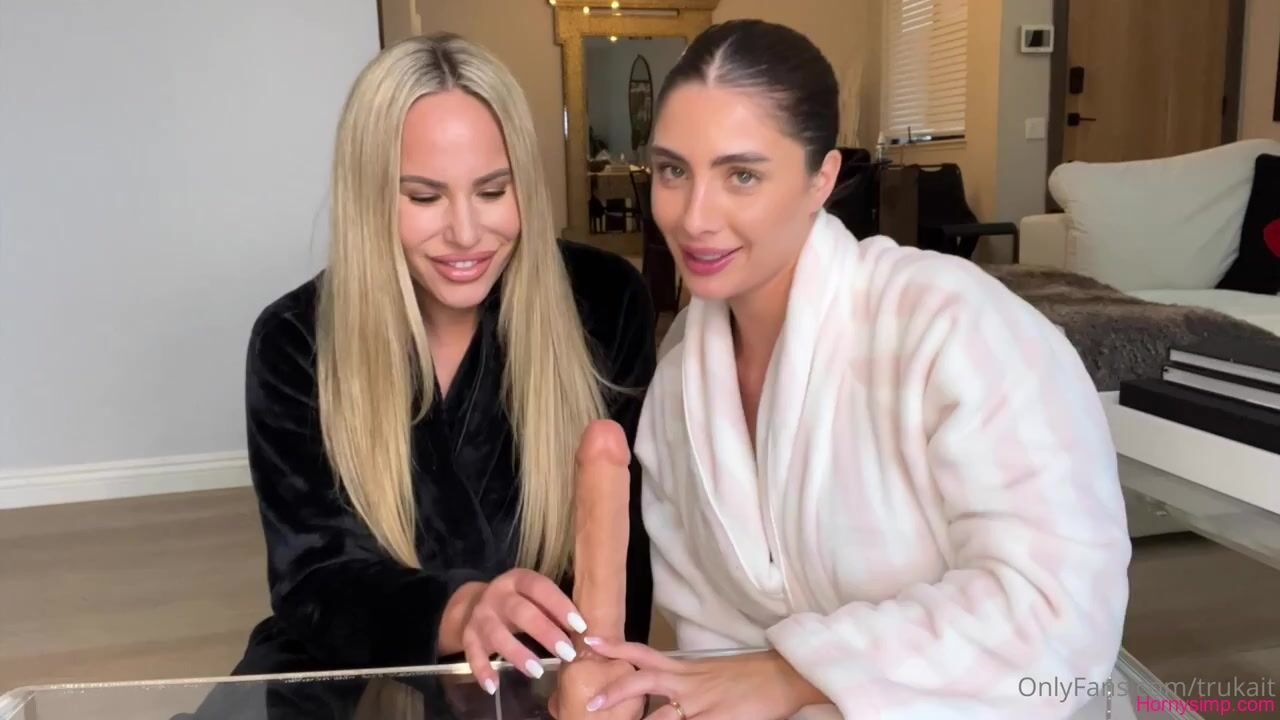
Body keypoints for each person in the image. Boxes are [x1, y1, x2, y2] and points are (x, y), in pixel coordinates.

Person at [581, 19, 1132, 720]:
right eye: (672, 171)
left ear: (822, 178)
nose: (694, 217)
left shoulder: (951, 326)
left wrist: (794, 675)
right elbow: (710, 645)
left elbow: (1060, 604)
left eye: (742, 174)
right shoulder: (680, 386)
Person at [232, 32, 656, 694]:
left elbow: (620, 558)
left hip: (545, 669)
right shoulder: (294, 339)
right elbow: (313, 578)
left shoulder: (603, 303)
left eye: (493, 191)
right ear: (370, 198)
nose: (464, 233)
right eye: (424, 197)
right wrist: (459, 610)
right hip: (358, 662)